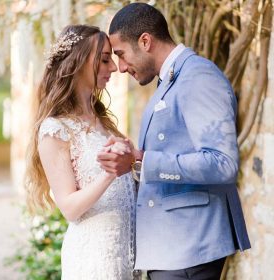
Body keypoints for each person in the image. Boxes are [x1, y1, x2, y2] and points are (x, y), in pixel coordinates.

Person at [97, 3, 251, 280]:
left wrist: (143, 159)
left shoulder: (198, 77)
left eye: (120, 55)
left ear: (145, 41)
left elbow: (223, 163)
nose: (120, 68)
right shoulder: (170, 81)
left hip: (190, 248)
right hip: (170, 248)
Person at [25, 24, 141, 280]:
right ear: (77, 63)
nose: (113, 67)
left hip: (126, 256)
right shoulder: (54, 129)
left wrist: (134, 157)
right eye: (103, 60)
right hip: (93, 260)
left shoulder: (103, 121)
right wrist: (110, 173)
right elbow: (68, 207)